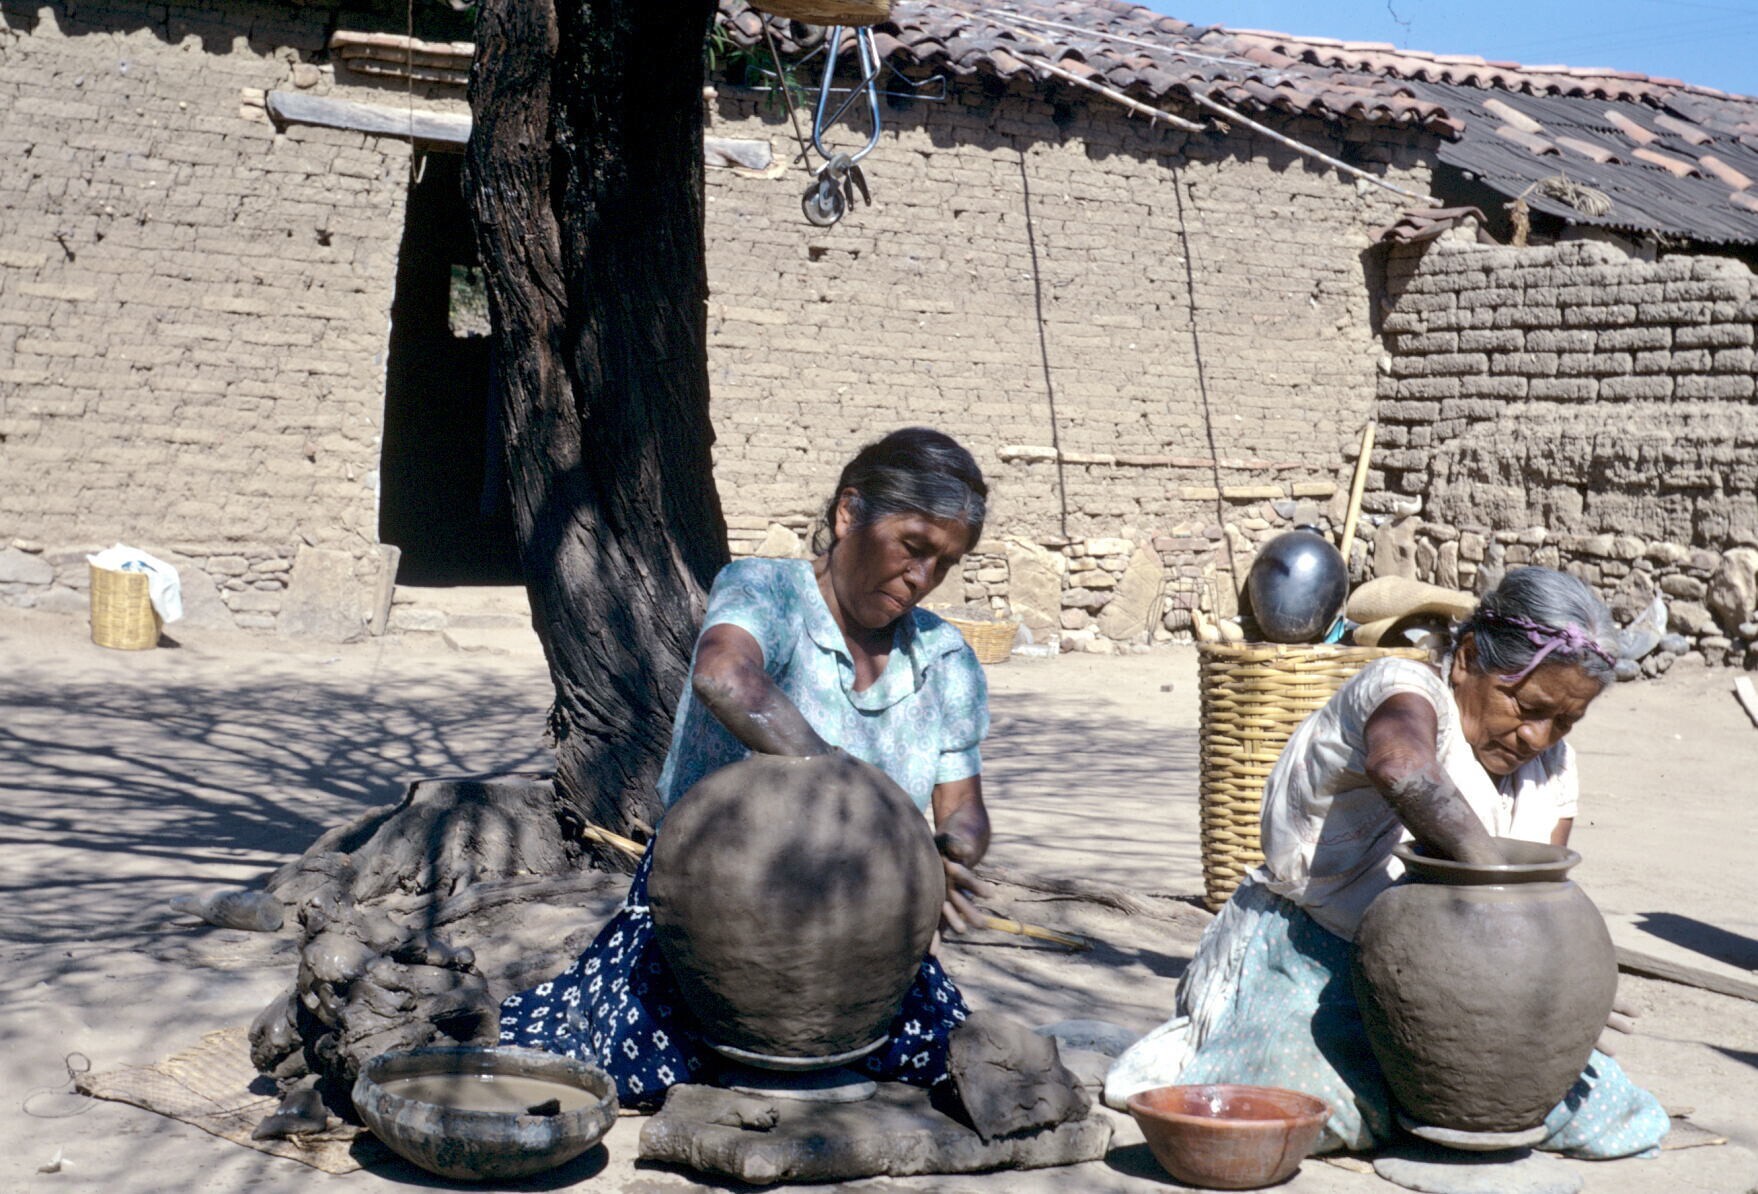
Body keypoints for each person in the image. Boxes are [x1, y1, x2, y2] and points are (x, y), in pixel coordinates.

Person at [498, 427, 994, 1108]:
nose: (924, 577)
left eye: (945, 563)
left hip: (863, 935)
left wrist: (948, 853)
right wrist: (850, 792)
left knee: (941, 1059)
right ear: (849, 513)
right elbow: (725, 675)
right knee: (617, 1058)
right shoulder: (768, 591)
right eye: (913, 546)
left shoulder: (944, 657)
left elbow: (963, 809)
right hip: (708, 916)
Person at [1107, 567, 1671, 1158]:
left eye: (1565, 720)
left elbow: (1544, 891)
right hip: (1311, 956)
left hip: (1465, 992)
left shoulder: (1552, 767)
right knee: (1306, 1104)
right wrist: (1497, 890)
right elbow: (1401, 766)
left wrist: (1556, 984)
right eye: (1527, 706)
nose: (1538, 736)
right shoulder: (1403, 691)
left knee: (1597, 1111)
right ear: (1468, 659)